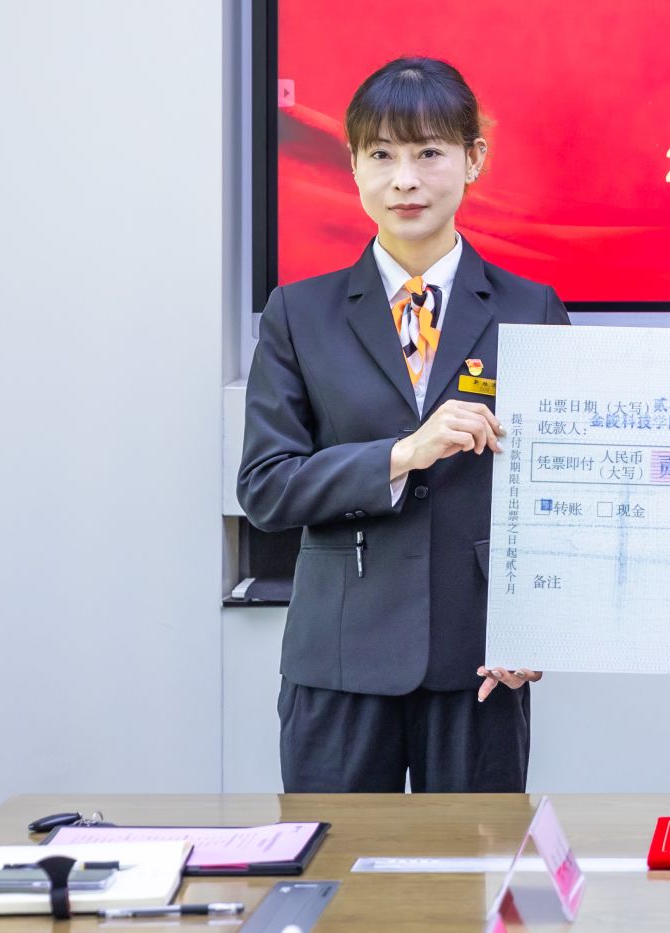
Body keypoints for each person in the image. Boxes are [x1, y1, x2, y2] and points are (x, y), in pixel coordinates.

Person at [239, 56, 565, 792]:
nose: (404, 179)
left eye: (429, 153)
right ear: (353, 165)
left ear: (473, 159)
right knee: (341, 865)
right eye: (381, 155)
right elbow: (266, 488)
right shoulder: (299, 313)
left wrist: (538, 628)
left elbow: (565, 493)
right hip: (339, 659)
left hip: (480, 662)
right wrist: (402, 453)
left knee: (474, 862)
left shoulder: (531, 308)